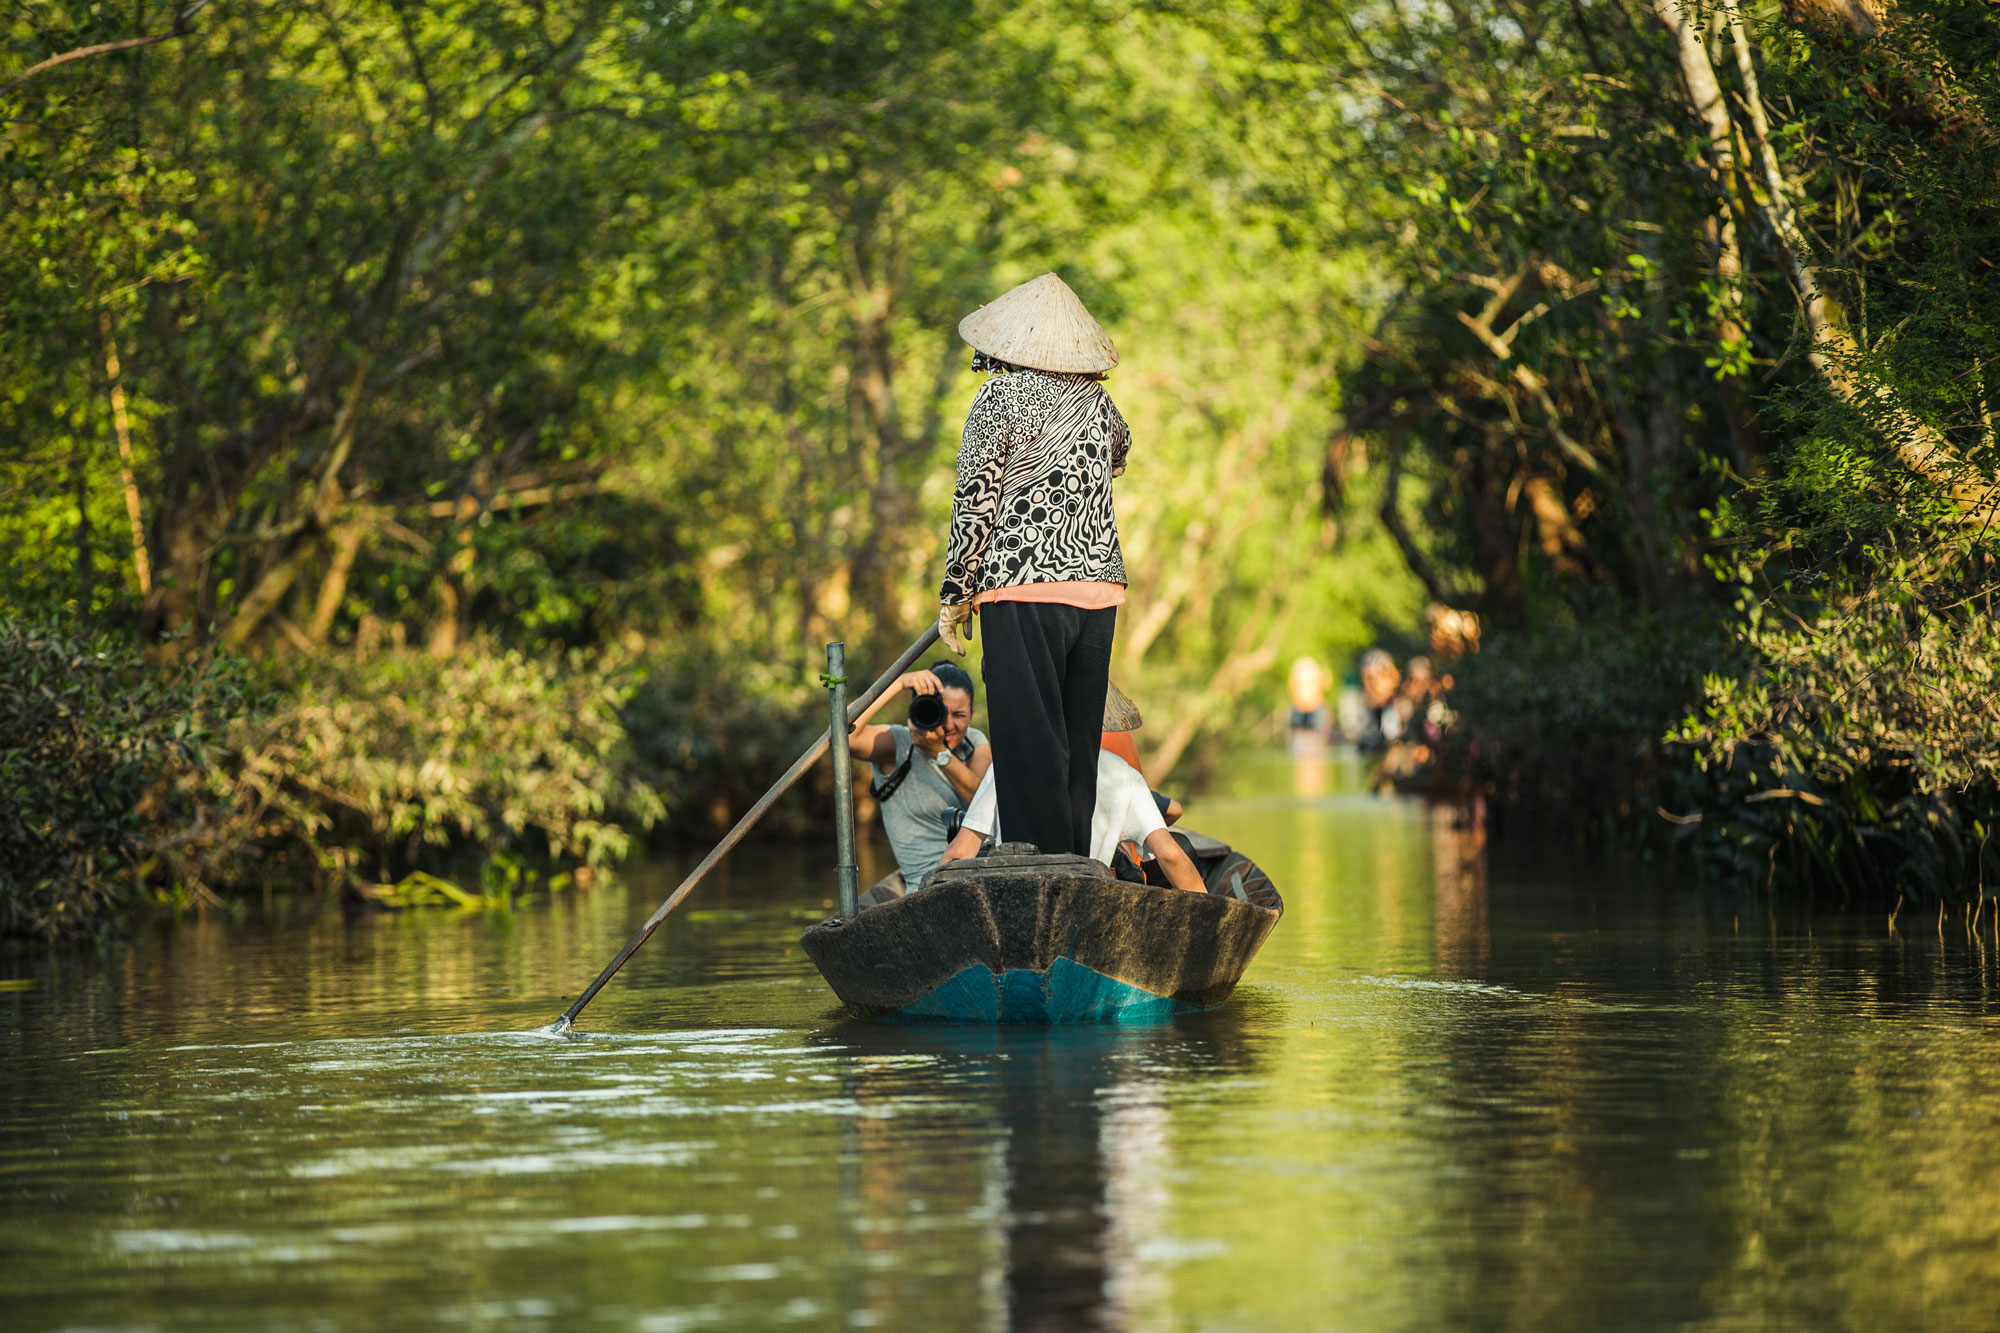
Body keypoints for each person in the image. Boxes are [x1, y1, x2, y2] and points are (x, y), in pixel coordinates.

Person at [936, 272, 1128, 861]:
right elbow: (1118, 455)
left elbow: (976, 500)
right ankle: (1073, 865)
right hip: (1097, 594)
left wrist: (956, 593)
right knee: (1075, 746)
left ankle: (1038, 868)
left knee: (1028, 742)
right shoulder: (1101, 405)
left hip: (1021, 589)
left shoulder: (997, 399)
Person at [936, 682, 1206, 894]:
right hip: (1087, 897)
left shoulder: (1009, 762)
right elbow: (1170, 855)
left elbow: (960, 853)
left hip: (1017, 896)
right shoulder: (1122, 773)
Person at [847, 663, 991, 886]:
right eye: (942, 713)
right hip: (926, 887)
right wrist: (898, 683)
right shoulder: (899, 744)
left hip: (983, 872)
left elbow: (983, 805)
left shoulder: (974, 742)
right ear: (922, 709)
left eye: (959, 715)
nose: (949, 725)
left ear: (972, 714)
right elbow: (843, 735)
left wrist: (939, 753)